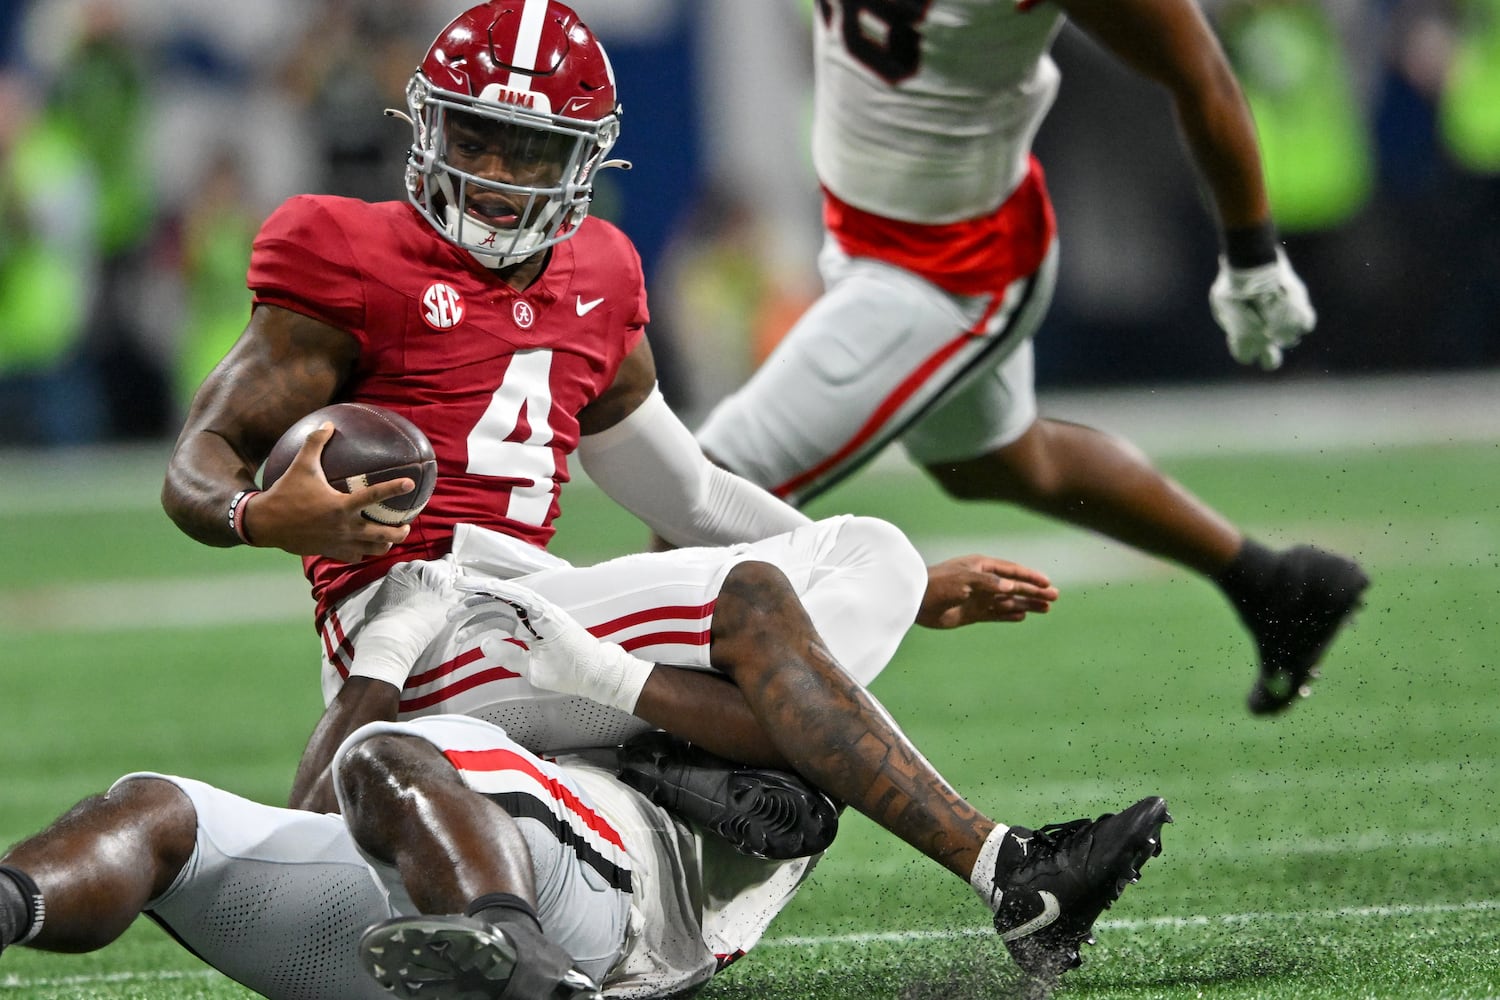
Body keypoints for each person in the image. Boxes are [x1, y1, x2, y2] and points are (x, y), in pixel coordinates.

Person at [0, 568, 1169, 998]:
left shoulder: (783, 690)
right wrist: (386, 653)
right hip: (425, 894)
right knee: (155, 803)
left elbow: (797, 776)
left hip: (610, 904)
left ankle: (510, 951)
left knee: (397, 759)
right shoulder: (568, 647)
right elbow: (320, 806)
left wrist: (606, 676)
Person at [690, 0, 1371, 716]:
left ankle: (712, 754)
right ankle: (1274, 585)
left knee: (708, 488)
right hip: (875, 237)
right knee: (1000, 463)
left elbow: (1199, 70)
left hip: (949, 269)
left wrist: (1253, 254)